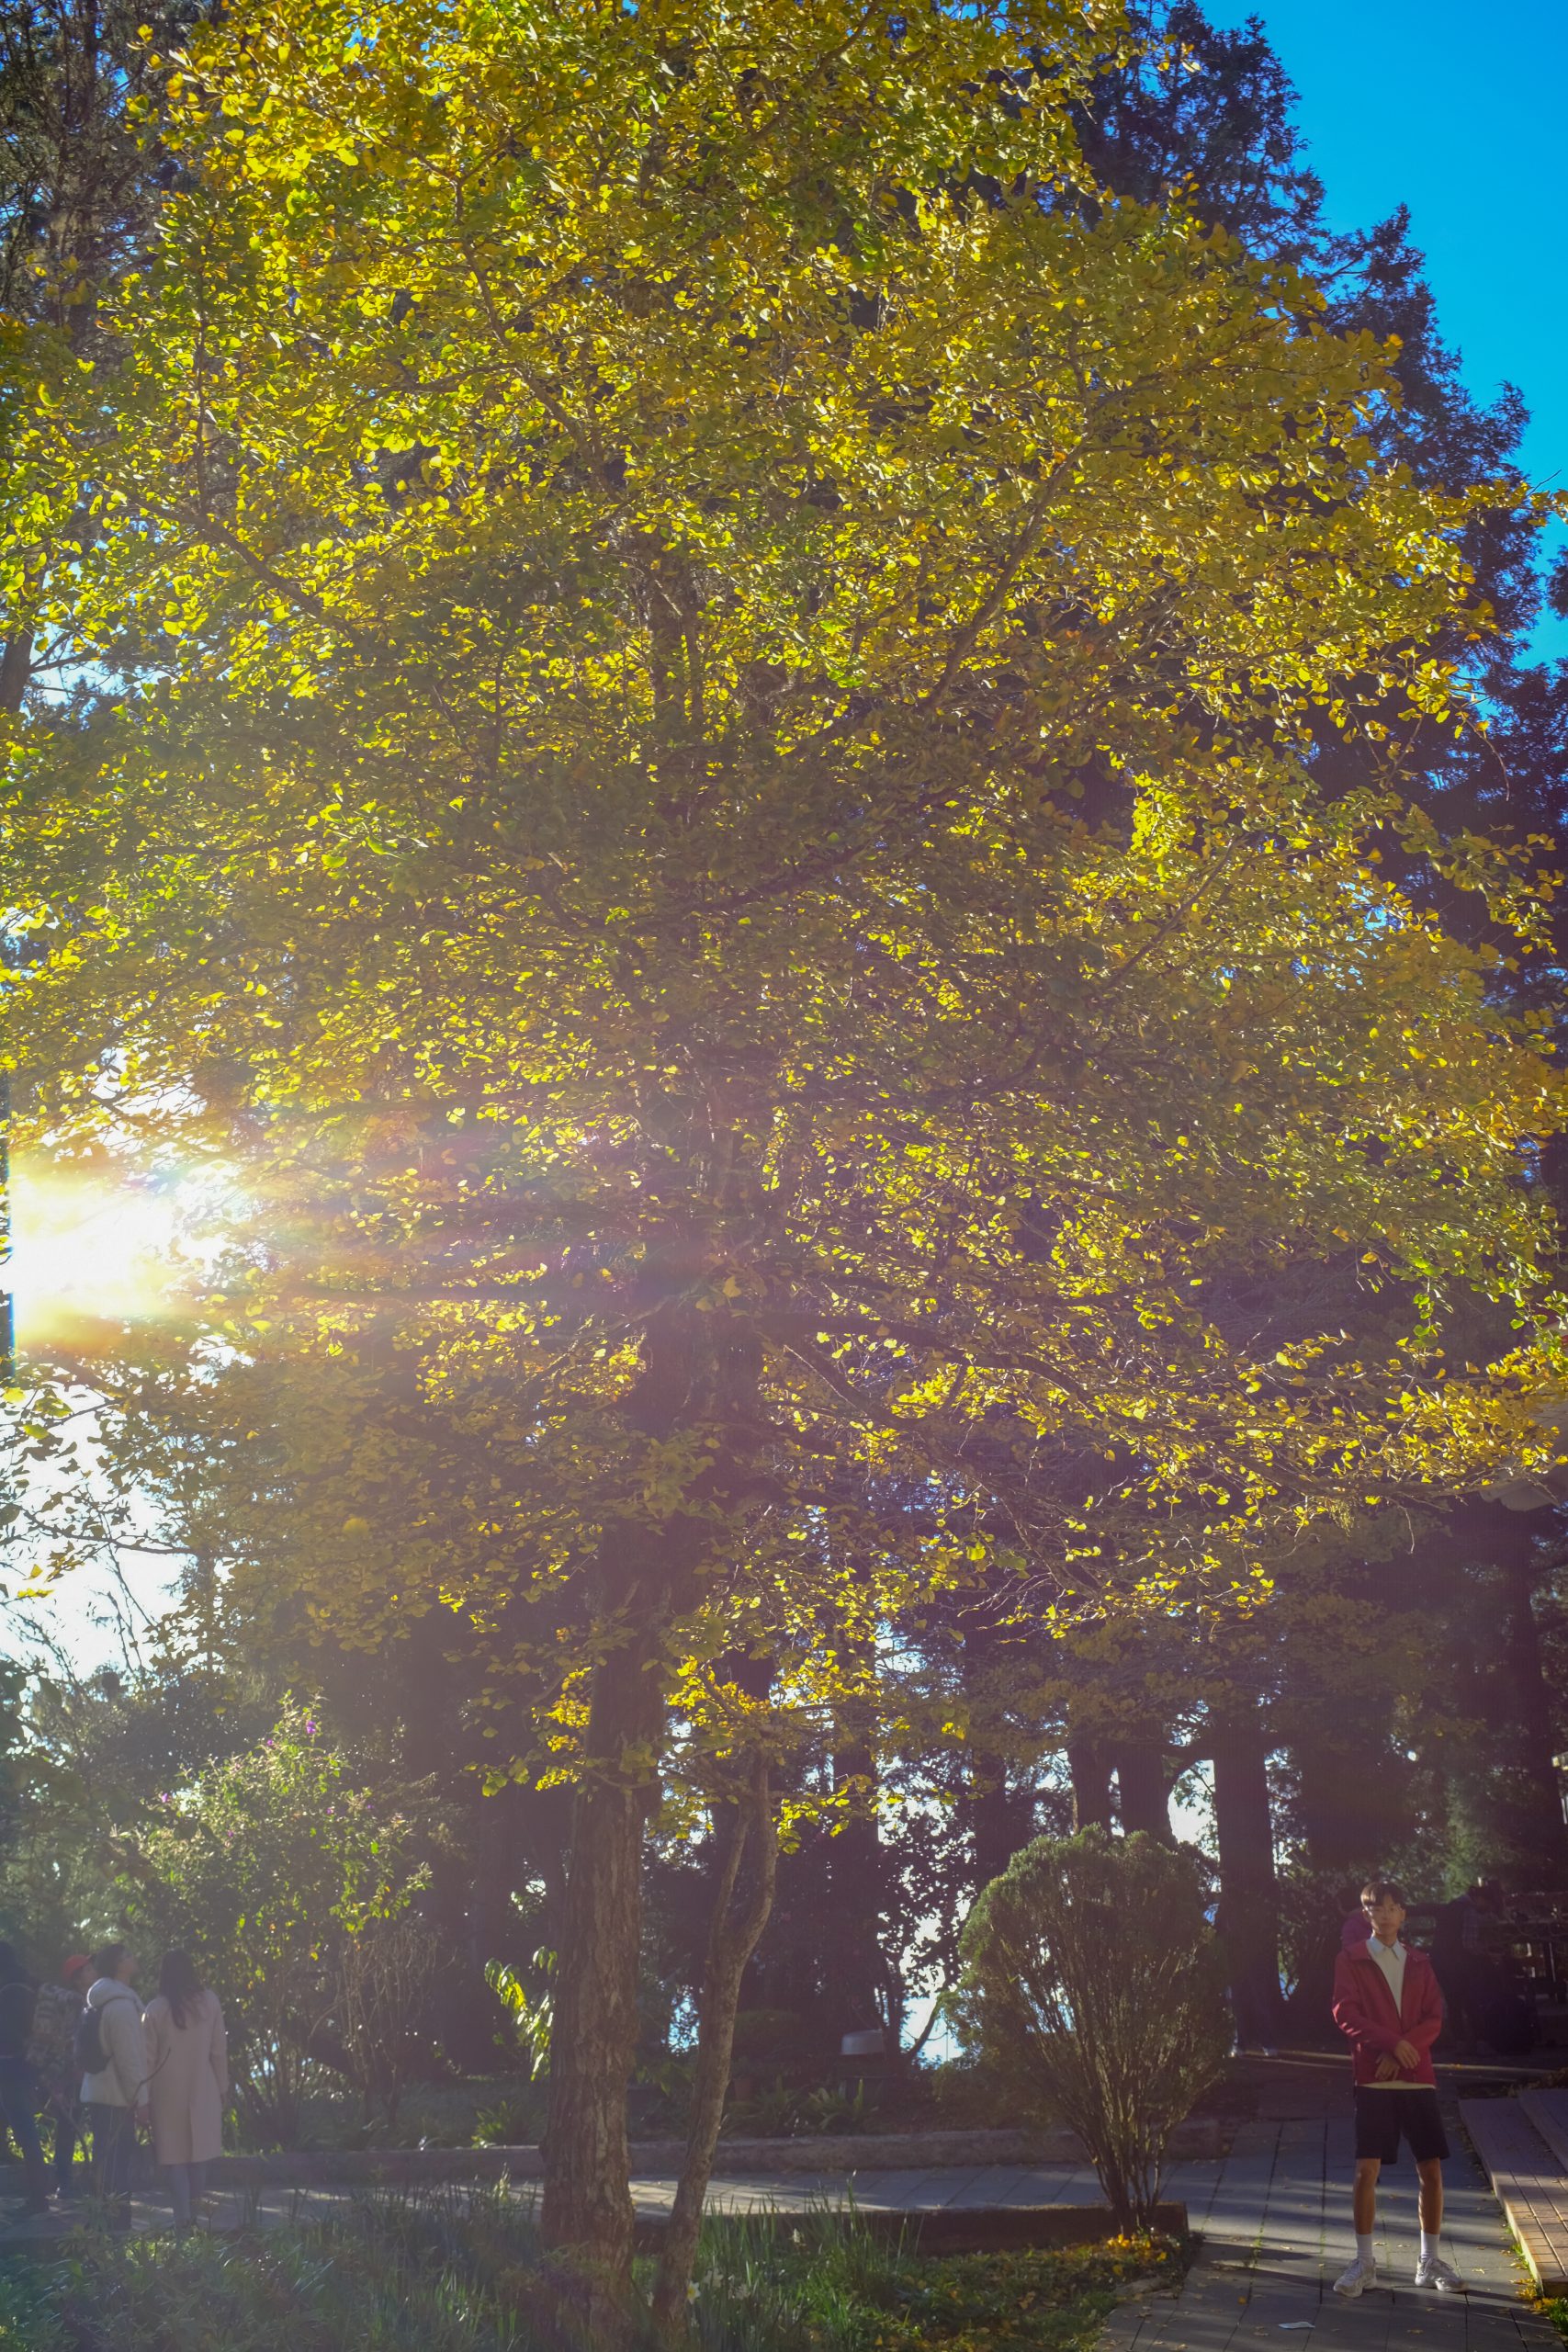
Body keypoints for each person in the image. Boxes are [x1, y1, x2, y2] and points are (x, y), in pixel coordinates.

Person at [1331, 1880, 1459, 2298]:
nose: (1384, 1915)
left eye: (1392, 1908)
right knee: (1366, 2171)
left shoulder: (1420, 1962)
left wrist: (1406, 2049)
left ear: (1403, 1914)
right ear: (1364, 1914)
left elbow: (1433, 2017)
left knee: (1432, 2171)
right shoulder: (1351, 1959)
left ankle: (1429, 2261)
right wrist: (1391, 2045)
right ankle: (1364, 2263)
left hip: (1416, 2075)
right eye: (1376, 1908)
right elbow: (1344, 2012)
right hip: (1372, 2078)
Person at [141, 1951, 227, 2233]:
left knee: (173, 2156)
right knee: (199, 2153)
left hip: (166, 2092)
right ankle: (196, 2212)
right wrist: (223, 2088)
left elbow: (147, 2060)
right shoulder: (210, 2002)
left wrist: (143, 2099)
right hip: (204, 2087)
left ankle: (182, 2219)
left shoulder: (154, 2010)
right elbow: (218, 2051)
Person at [80, 1942, 147, 2228]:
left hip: (99, 2092)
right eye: (129, 1955)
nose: (134, 1957)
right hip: (117, 2098)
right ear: (119, 1966)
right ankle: (117, 2232)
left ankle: (104, 2229)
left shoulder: (101, 1999)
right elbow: (129, 2060)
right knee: (116, 2169)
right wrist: (141, 2100)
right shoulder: (120, 2006)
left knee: (106, 2165)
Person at [27, 1952, 92, 2199]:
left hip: (71, 2074)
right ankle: (64, 2181)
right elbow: (70, 2038)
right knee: (69, 2126)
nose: (92, 1970)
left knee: (70, 2125)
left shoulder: (83, 2000)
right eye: (86, 1969)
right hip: (71, 2074)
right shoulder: (75, 2002)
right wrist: (75, 2066)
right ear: (76, 1978)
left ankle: (65, 2179)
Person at [0, 1941, 50, 2219]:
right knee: (26, 2132)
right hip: (28, 2068)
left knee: (26, 2134)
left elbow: (6, 2037)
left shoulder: (8, 1990)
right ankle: (38, 2193)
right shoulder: (29, 1984)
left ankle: (38, 2197)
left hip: (9, 2070)